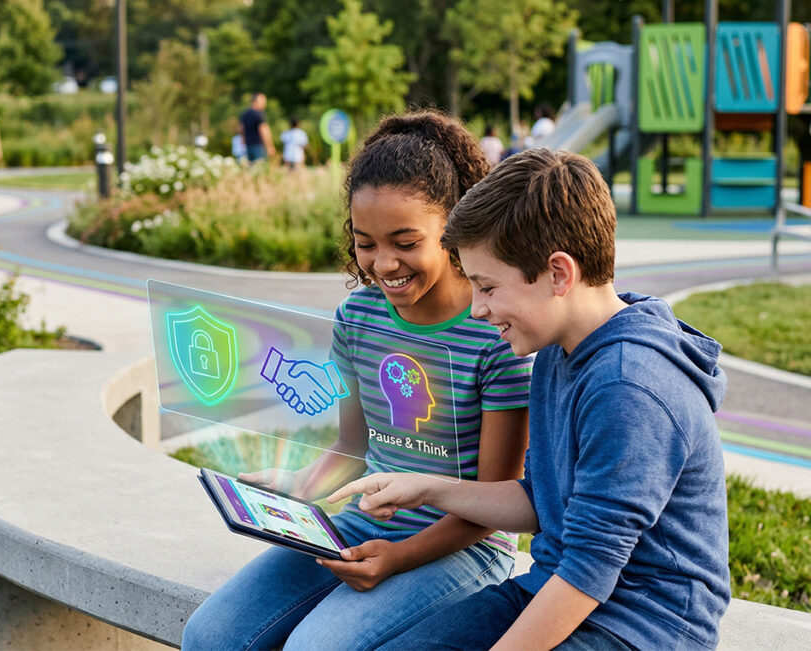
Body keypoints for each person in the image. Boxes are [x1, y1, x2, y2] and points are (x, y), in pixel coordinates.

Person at [329, 148, 731, 651]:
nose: (477, 309)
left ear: (559, 274)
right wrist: (427, 488)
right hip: (550, 586)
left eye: (488, 287)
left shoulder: (630, 387)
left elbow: (590, 570)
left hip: (640, 626)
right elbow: (540, 500)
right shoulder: (558, 352)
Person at [182, 110, 533, 650]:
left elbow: (496, 503)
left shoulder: (494, 335)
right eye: (365, 242)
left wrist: (399, 557)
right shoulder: (359, 318)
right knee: (210, 636)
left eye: (406, 241)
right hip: (357, 525)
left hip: (463, 547)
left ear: (453, 228)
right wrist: (294, 489)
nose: (383, 263)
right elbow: (352, 447)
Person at [239, 92, 275, 163]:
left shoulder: (245, 114)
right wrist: (269, 146)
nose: (264, 104)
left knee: (251, 168)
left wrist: (243, 140)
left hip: (248, 145)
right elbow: (263, 130)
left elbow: (241, 129)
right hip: (259, 146)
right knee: (260, 168)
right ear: (256, 102)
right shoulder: (259, 114)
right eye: (263, 101)